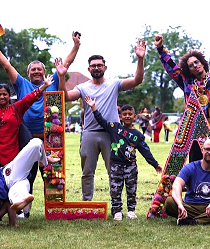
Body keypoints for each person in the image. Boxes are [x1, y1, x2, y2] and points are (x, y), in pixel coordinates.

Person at [0, 32, 81, 216]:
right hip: (26, 138)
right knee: (25, 175)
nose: (37, 72)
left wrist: (76, 46)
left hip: (50, 138)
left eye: (40, 69)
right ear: (28, 73)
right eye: (34, 70)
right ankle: (24, 209)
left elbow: (66, 64)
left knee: (51, 174)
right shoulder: (21, 84)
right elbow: (6, 66)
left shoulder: (52, 81)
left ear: (45, 72)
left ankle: (54, 208)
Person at [59, 39, 147, 201]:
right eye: (93, 66)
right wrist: (62, 76)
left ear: (105, 68)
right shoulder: (83, 87)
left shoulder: (114, 84)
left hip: (111, 135)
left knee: (114, 170)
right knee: (87, 171)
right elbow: (64, 97)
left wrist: (140, 58)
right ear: (89, 68)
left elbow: (137, 80)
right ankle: (87, 202)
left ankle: (116, 205)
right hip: (90, 134)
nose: (96, 68)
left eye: (99, 65)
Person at [0, 57, 53, 175]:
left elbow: (31, 97)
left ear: (9, 96)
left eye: (5, 94)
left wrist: (44, 86)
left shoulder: (16, 108)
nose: (2, 97)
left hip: (11, 159)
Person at [84, 96, 162, 220]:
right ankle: (117, 211)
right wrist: (93, 107)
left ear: (134, 117)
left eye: (130, 114)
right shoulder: (114, 127)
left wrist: (155, 164)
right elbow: (101, 121)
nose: (127, 116)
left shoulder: (137, 135)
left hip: (131, 166)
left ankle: (131, 210)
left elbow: (145, 151)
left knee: (131, 189)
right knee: (115, 189)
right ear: (120, 117)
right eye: (124, 114)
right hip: (115, 165)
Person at [155, 34, 210, 161]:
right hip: (196, 132)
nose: (195, 65)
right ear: (189, 70)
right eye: (191, 65)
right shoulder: (187, 82)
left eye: (196, 62)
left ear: (202, 63)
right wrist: (161, 49)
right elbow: (172, 67)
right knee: (196, 164)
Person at [164, 138, 210, 225]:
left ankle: (192, 222)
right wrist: (180, 204)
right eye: (207, 149)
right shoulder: (190, 167)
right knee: (169, 203)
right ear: (202, 150)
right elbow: (177, 185)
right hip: (191, 206)